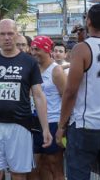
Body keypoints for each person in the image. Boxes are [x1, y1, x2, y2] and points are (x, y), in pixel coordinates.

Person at [0, 19, 50, 180]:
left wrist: (45, 128)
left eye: (10, 33)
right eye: (3, 34)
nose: (7, 37)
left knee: (18, 174)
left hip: (20, 125)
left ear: (17, 35)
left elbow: (38, 96)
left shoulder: (29, 62)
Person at [57, 4, 100, 180]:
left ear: (89, 21)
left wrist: (61, 125)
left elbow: (70, 91)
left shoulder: (82, 48)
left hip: (86, 126)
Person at [29, 36, 66, 180]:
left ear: (47, 50)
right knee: (35, 166)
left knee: (54, 164)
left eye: (37, 49)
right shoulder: (33, 69)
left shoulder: (56, 71)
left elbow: (66, 98)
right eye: (32, 49)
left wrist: (62, 126)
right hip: (35, 121)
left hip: (53, 121)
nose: (34, 52)